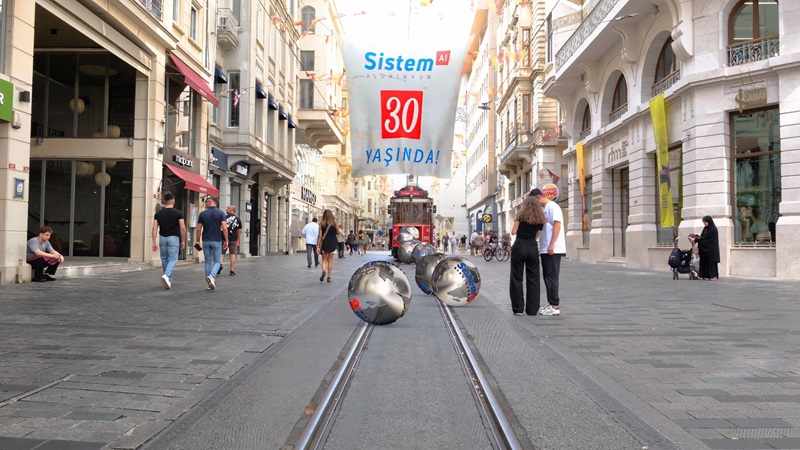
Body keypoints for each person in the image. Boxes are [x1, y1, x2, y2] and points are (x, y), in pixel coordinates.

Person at [530, 188, 566, 316]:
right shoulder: (545, 209)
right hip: (546, 248)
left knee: (551, 277)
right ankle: (551, 303)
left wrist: (552, 244)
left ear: (538, 198)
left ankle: (554, 306)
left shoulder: (553, 207)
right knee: (547, 276)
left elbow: (557, 225)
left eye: (534, 201)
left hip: (553, 249)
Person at [509, 196, 546, 315]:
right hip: (532, 247)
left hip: (519, 246)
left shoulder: (520, 216)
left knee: (516, 278)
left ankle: (518, 309)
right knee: (533, 279)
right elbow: (537, 235)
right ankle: (532, 309)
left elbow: (513, 231)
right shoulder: (540, 219)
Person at [152, 192, 186, 289]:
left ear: (164, 201)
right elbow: (182, 227)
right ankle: (167, 275)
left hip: (162, 238)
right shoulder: (179, 213)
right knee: (173, 258)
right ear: (173, 201)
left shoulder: (158, 214)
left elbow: (154, 228)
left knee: (164, 259)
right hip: (173, 238)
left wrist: (154, 242)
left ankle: (168, 281)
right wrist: (183, 240)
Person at [196, 196, 229, 290]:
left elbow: (199, 229)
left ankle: (209, 283)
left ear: (208, 203)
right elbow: (224, 227)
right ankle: (212, 276)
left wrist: (198, 240)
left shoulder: (202, 214)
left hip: (206, 240)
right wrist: (226, 240)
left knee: (207, 261)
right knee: (218, 261)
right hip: (217, 240)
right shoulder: (220, 213)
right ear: (216, 203)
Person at [317, 209, 339, 282]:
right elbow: (338, 233)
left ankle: (323, 271)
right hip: (333, 243)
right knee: (330, 260)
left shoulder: (321, 224)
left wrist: (318, 245)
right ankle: (329, 277)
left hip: (325, 243)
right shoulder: (335, 223)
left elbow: (320, 236)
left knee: (324, 259)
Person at [695, 215, 720, 280]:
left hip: (711, 249)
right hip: (704, 249)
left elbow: (708, 239)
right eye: (704, 222)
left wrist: (700, 239)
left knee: (711, 262)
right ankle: (702, 275)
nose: (705, 224)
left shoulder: (713, 229)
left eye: (705, 222)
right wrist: (697, 238)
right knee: (703, 262)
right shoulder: (705, 229)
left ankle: (713, 276)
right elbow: (703, 237)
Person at [219, 205, 242, 276]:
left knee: (222, 253)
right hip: (233, 239)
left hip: (223, 238)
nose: (226, 210)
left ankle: (219, 265)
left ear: (230, 210)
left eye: (227, 209)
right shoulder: (238, 219)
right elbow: (239, 231)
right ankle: (232, 271)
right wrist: (238, 239)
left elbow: (220, 227)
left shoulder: (224, 218)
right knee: (232, 254)